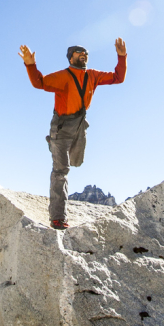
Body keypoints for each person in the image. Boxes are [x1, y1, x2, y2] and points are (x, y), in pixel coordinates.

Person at [18, 39, 127, 230]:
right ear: (71, 57)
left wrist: (121, 56)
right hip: (61, 127)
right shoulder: (63, 76)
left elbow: (118, 77)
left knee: (76, 162)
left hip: (79, 127)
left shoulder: (93, 75)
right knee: (61, 171)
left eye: (86, 52)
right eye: (79, 52)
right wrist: (30, 64)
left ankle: (54, 145)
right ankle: (57, 218)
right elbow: (39, 82)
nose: (84, 54)